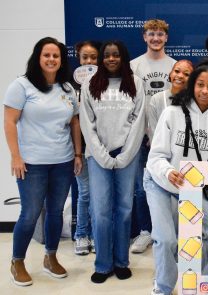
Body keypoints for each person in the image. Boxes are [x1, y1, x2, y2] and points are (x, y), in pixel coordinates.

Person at [144, 62, 208, 295]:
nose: (205, 91)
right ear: (192, 85)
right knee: (166, 239)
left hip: (193, 189)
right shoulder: (172, 112)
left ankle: (207, 283)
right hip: (160, 183)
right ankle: (163, 286)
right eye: (201, 85)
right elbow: (155, 157)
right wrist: (166, 171)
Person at [4, 37, 82, 286]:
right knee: (29, 214)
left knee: (56, 212)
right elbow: (9, 122)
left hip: (63, 161)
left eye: (56, 56)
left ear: (61, 60)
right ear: (38, 58)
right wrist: (16, 156)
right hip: (32, 163)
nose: (51, 59)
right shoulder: (22, 85)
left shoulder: (67, 89)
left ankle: (50, 257)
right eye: (46, 55)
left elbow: (75, 123)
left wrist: (78, 154)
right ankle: (17, 261)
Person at [80, 40, 145, 283]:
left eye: (116, 54)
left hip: (126, 155)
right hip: (98, 157)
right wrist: (102, 155)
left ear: (123, 56)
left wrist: (126, 154)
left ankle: (121, 262)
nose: (111, 59)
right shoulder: (90, 84)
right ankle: (103, 264)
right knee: (100, 211)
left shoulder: (136, 83)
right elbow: (87, 124)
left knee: (125, 209)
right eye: (106, 55)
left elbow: (138, 122)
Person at [130, 19, 177, 254]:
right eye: (151, 34)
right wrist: (146, 133)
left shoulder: (175, 66)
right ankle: (146, 232)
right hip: (141, 138)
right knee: (142, 188)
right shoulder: (133, 66)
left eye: (160, 34)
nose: (156, 38)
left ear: (166, 38)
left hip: (170, 139)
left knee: (172, 186)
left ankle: (170, 232)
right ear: (144, 37)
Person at [72, 40, 100, 256]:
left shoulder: (106, 84)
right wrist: (77, 153)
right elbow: (73, 122)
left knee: (101, 196)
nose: (89, 61)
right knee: (85, 193)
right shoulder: (69, 86)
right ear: (78, 58)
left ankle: (98, 235)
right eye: (85, 58)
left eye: (93, 57)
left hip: (102, 149)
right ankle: (82, 234)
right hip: (80, 149)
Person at [147, 59, 194, 137]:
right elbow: (153, 133)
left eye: (186, 74)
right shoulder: (156, 99)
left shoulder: (194, 101)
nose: (180, 76)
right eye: (177, 71)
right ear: (170, 74)